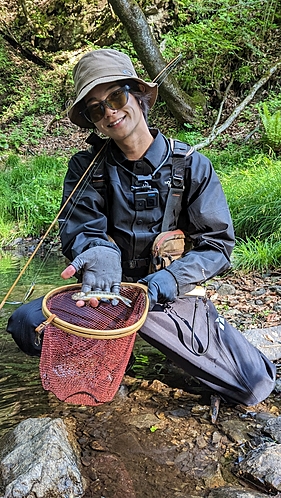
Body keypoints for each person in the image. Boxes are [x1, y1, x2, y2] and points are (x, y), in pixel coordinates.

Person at [7, 48, 276, 406]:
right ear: (93, 121)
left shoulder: (194, 166)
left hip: (168, 298)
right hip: (106, 295)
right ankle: (111, 355)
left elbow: (218, 247)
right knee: (26, 323)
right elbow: (79, 229)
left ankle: (124, 344)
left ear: (138, 95)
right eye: (96, 108)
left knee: (254, 386)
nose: (110, 112)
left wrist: (173, 278)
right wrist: (97, 252)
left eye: (116, 96)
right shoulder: (86, 167)